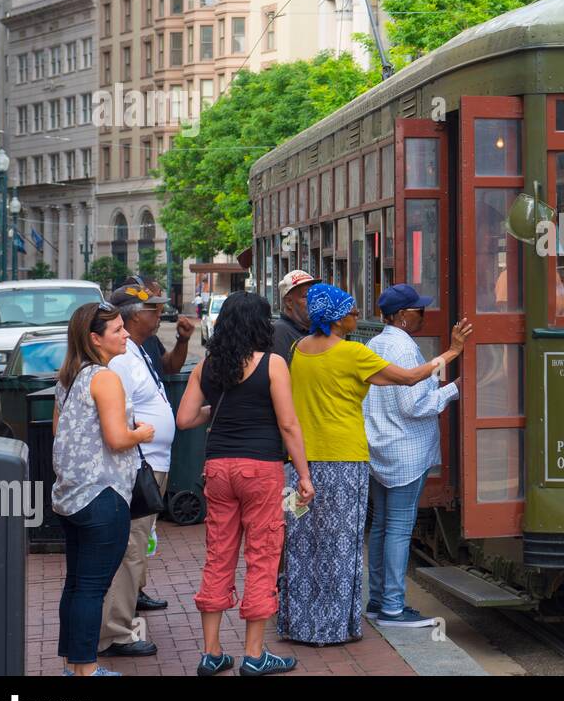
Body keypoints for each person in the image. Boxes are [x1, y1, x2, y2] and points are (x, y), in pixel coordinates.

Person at [278, 283, 470, 645]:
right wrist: (453, 354)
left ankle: (307, 620)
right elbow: (412, 385)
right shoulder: (353, 353)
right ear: (334, 319)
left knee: (306, 541)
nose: (356, 316)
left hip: (304, 462)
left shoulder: (298, 350)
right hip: (346, 459)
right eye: (350, 312)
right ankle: (364, 615)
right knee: (346, 543)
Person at [176, 292, 315, 676]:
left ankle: (212, 652)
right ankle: (254, 656)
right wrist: (304, 475)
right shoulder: (272, 364)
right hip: (261, 469)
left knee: (218, 555)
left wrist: (220, 409)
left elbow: (185, 419)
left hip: (218, 468)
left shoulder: (208, 365)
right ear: (260, 325)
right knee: (263, 557)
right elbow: (288, 424)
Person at [52, 301, 155, 676]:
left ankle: (73, 665)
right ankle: (87, 669)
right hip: (103, 495)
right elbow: (115, 438)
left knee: (77, 584)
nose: (126, 334)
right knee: (93, 588)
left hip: (72, 496)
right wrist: (139, 433)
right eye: (117, 330)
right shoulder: (105, 378)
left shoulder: (69, 377)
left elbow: (58, 433)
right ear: (95, 338)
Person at [363, 285, 459, 628]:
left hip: (380, 449)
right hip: (405, 451)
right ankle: (391, 607)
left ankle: (377, 601)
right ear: (402, 316)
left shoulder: (376, 343)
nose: (424, 314)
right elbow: (414, 405)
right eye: (418, 309)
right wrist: (454, 388)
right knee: (399, 529)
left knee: (382, 527)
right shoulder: (404, 348)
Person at [95, 286, 176, 658]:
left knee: (139, 546)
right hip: (140, 464)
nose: (158, 315)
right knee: (130, 548)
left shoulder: (139, 350)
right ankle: (116, 632)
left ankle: (125, 612)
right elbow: (119, 418)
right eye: (152, 309)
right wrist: (139, 449)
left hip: (153, 462)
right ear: (130, 316)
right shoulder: (121, 360)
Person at [115, 276, 195, 374]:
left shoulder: (149, 338)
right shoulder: (120, 353)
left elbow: (169, 367)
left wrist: (183, 340)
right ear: (136, 313)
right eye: (153, 304)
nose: (160, 310)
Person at [272, 269, 315, 364]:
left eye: (315, 295)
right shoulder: (278, 332)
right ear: (289, 302)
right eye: (306, 296)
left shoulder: (315, 329)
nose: (314, 300)